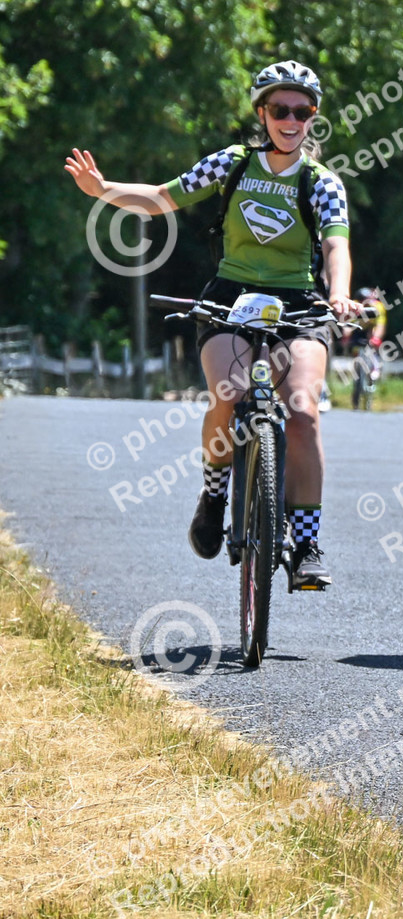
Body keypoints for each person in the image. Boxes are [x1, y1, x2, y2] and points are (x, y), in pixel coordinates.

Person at [65, 60, 361, 589]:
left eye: (303, 111)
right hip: (231, 296)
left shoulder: (321, 183)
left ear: (313, 117)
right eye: (280, 109)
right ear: (262, 114)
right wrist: (102, 189)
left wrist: (338, 293)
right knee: (230, 392)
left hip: (299, 302)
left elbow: (337, 245)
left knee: (304, 412)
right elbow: (161, 198)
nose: (291, 121)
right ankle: (215, 493)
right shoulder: (233, 165)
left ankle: (307, 543)